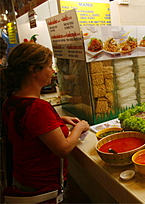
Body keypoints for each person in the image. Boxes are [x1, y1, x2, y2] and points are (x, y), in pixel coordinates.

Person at [1, 42, 89, 201]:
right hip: (42, 189)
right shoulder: (37, 108)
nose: (53, 71)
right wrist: (80, 127)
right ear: (34, 70)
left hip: (22, 178)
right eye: (49, 66)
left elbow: (28, 126)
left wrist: (58, 119)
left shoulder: (11, 101)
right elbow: (63, 148)